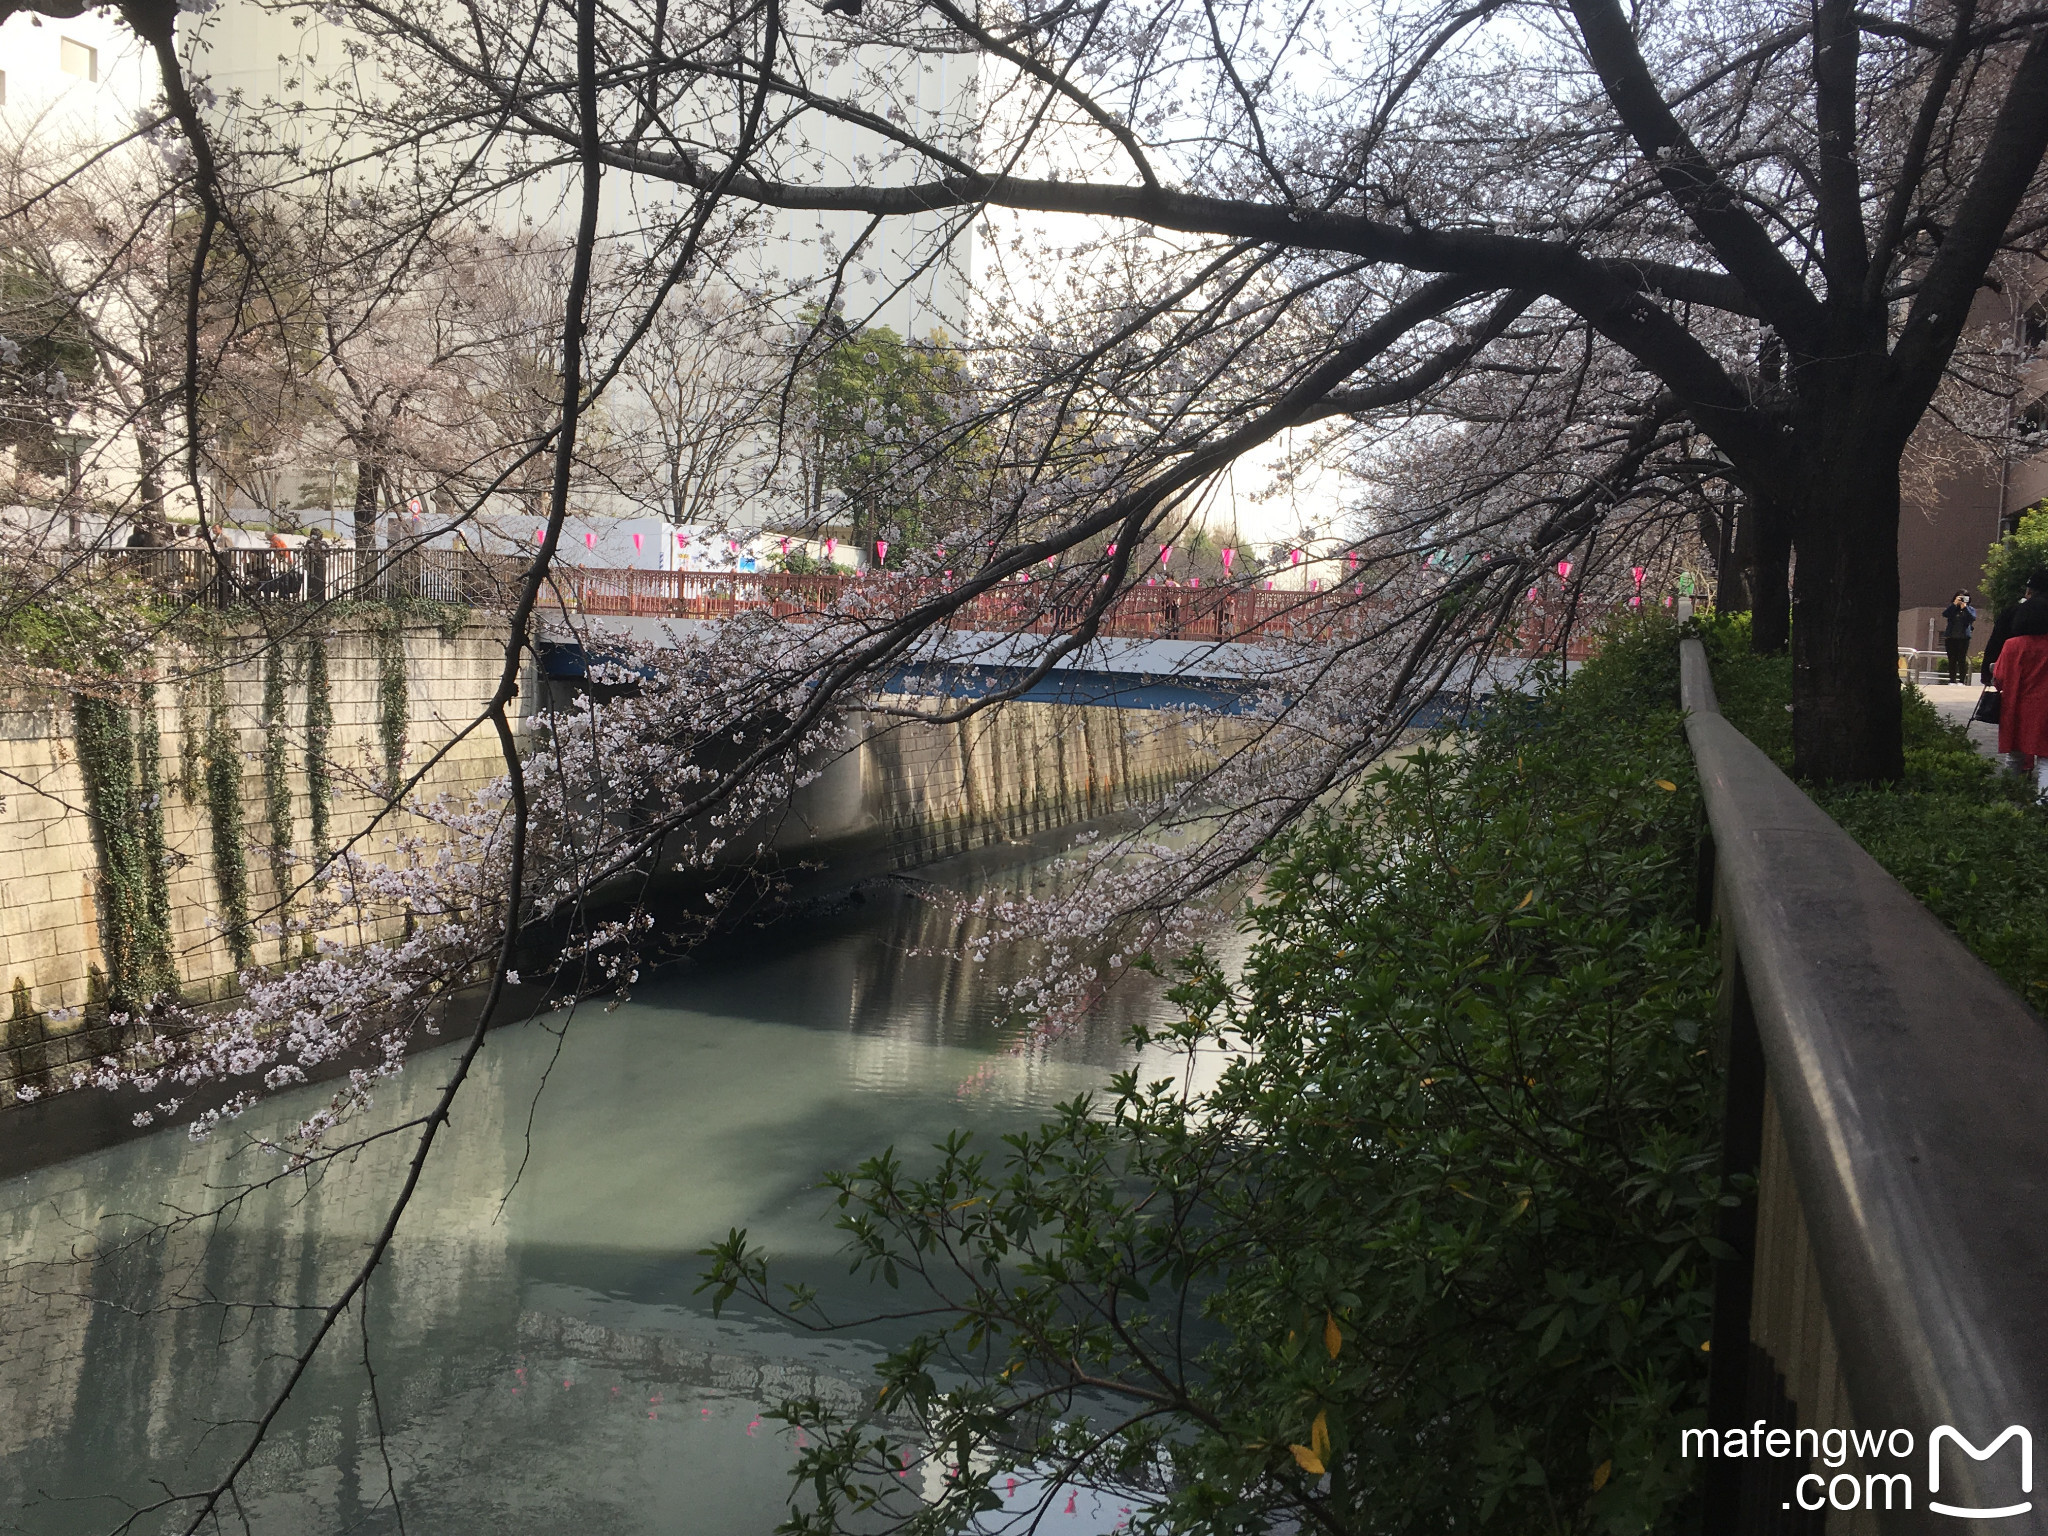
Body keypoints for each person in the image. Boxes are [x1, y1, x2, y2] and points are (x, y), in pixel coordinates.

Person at [1991, 570, 2048, 795]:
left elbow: (1999, 680)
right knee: (2046, 759)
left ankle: (2008, 801)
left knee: (2014, 757)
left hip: (2015, 709)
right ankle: (2042, 804)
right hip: (2045, 709)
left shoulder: (2012, 646)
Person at [1941, 590, 1978, 683]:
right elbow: (1945, 614)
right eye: (1960, 597)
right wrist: (1954, 604)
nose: (1962, 599)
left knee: (1962, 659)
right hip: (1951, 637)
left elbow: (1972, 618)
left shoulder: (1970, 609)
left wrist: (1965, 607)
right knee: (1952, 659)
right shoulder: (1953, 609)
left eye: (1964, 597)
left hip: (1964, 638)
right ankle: (1952, 680)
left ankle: (1962, 681)